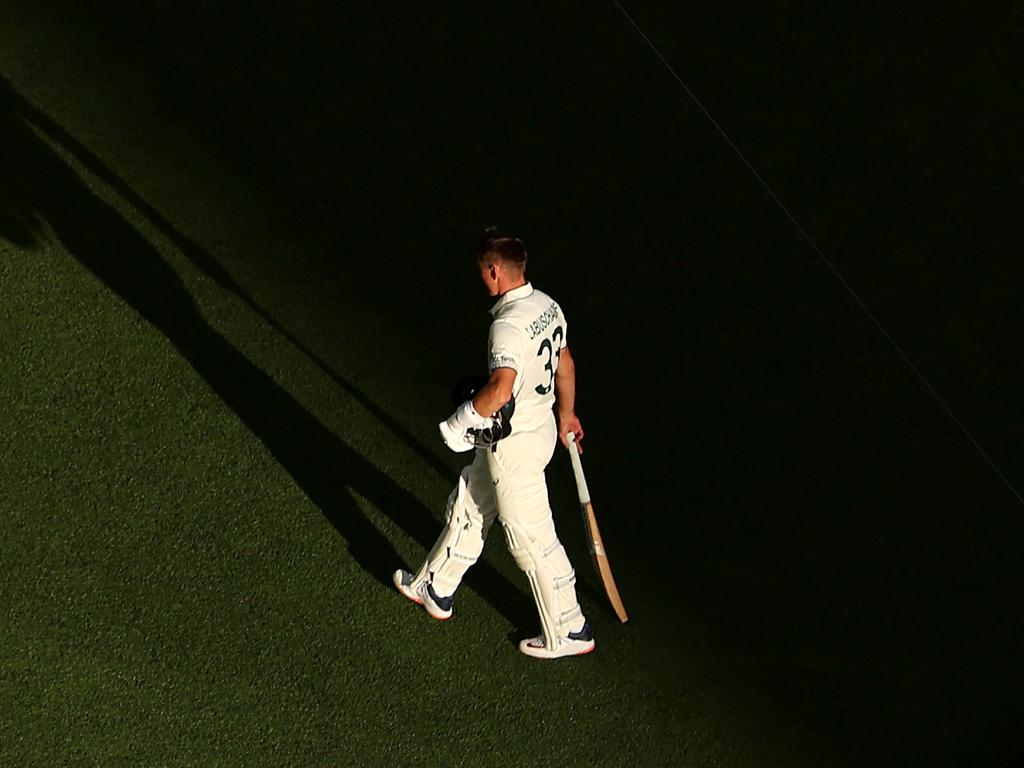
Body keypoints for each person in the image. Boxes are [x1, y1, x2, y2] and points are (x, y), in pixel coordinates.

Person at [393, 228, 594, 659]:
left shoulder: (507, 326)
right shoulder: (549, 306)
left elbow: (501, 390)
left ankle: (570, 626)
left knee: (530, 537)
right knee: (470, 503)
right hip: (536, 428)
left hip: (514, 446)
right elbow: (566, 363)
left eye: (483, 273)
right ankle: (435, 586)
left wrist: (458, 424)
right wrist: (567, 415)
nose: (481, 280)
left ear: (494, 270)